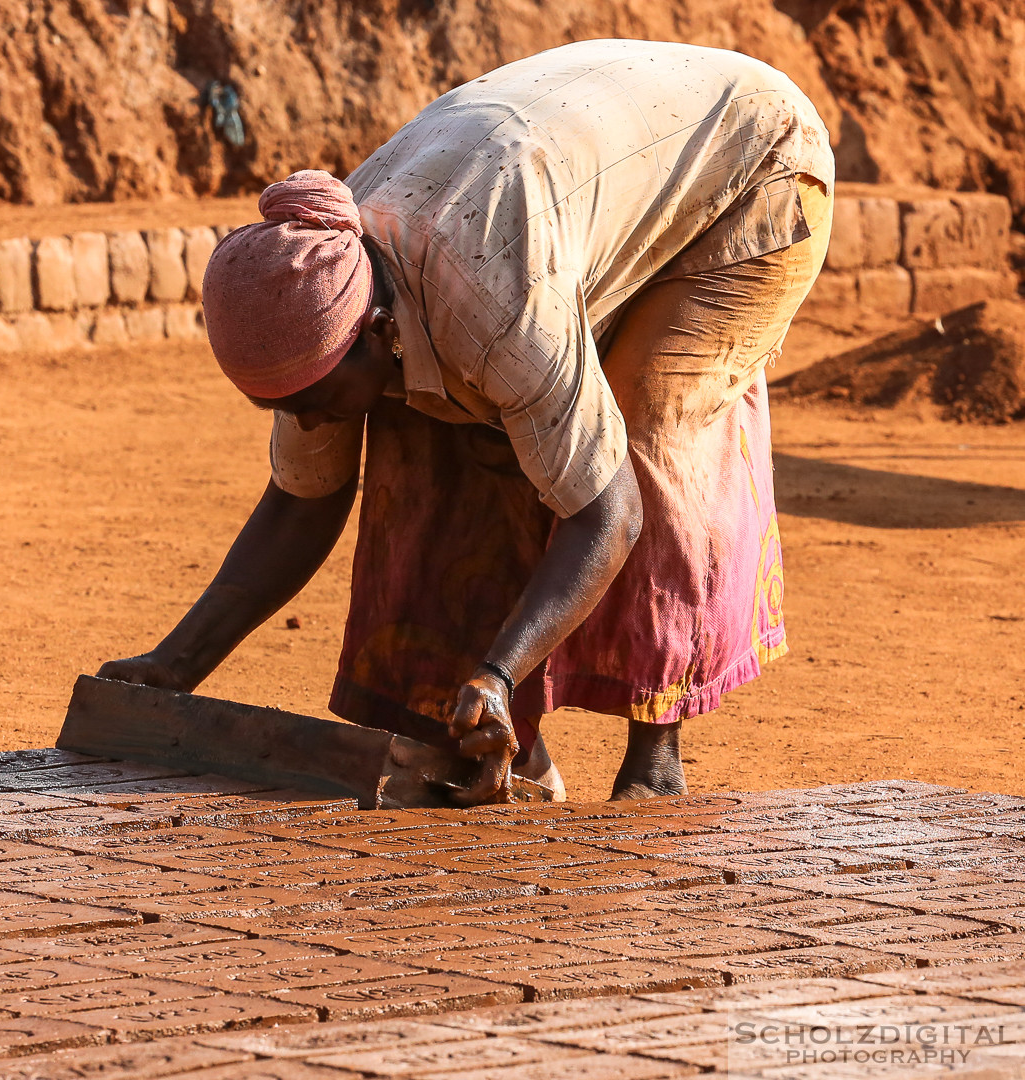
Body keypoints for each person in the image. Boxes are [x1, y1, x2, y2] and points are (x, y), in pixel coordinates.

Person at [99, 38, 834, 805]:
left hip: (754, 162)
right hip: (571, 155)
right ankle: (516, 750)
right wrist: (176, 663)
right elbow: (302, 500)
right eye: (281, 408)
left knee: (645, 427)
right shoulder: (322, 275)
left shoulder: (494, 301)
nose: (305, 419)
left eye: (312, 400)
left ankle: (655, 758)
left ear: (377, 330)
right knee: (430, 436)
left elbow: (606, 515)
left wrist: (500, 672)